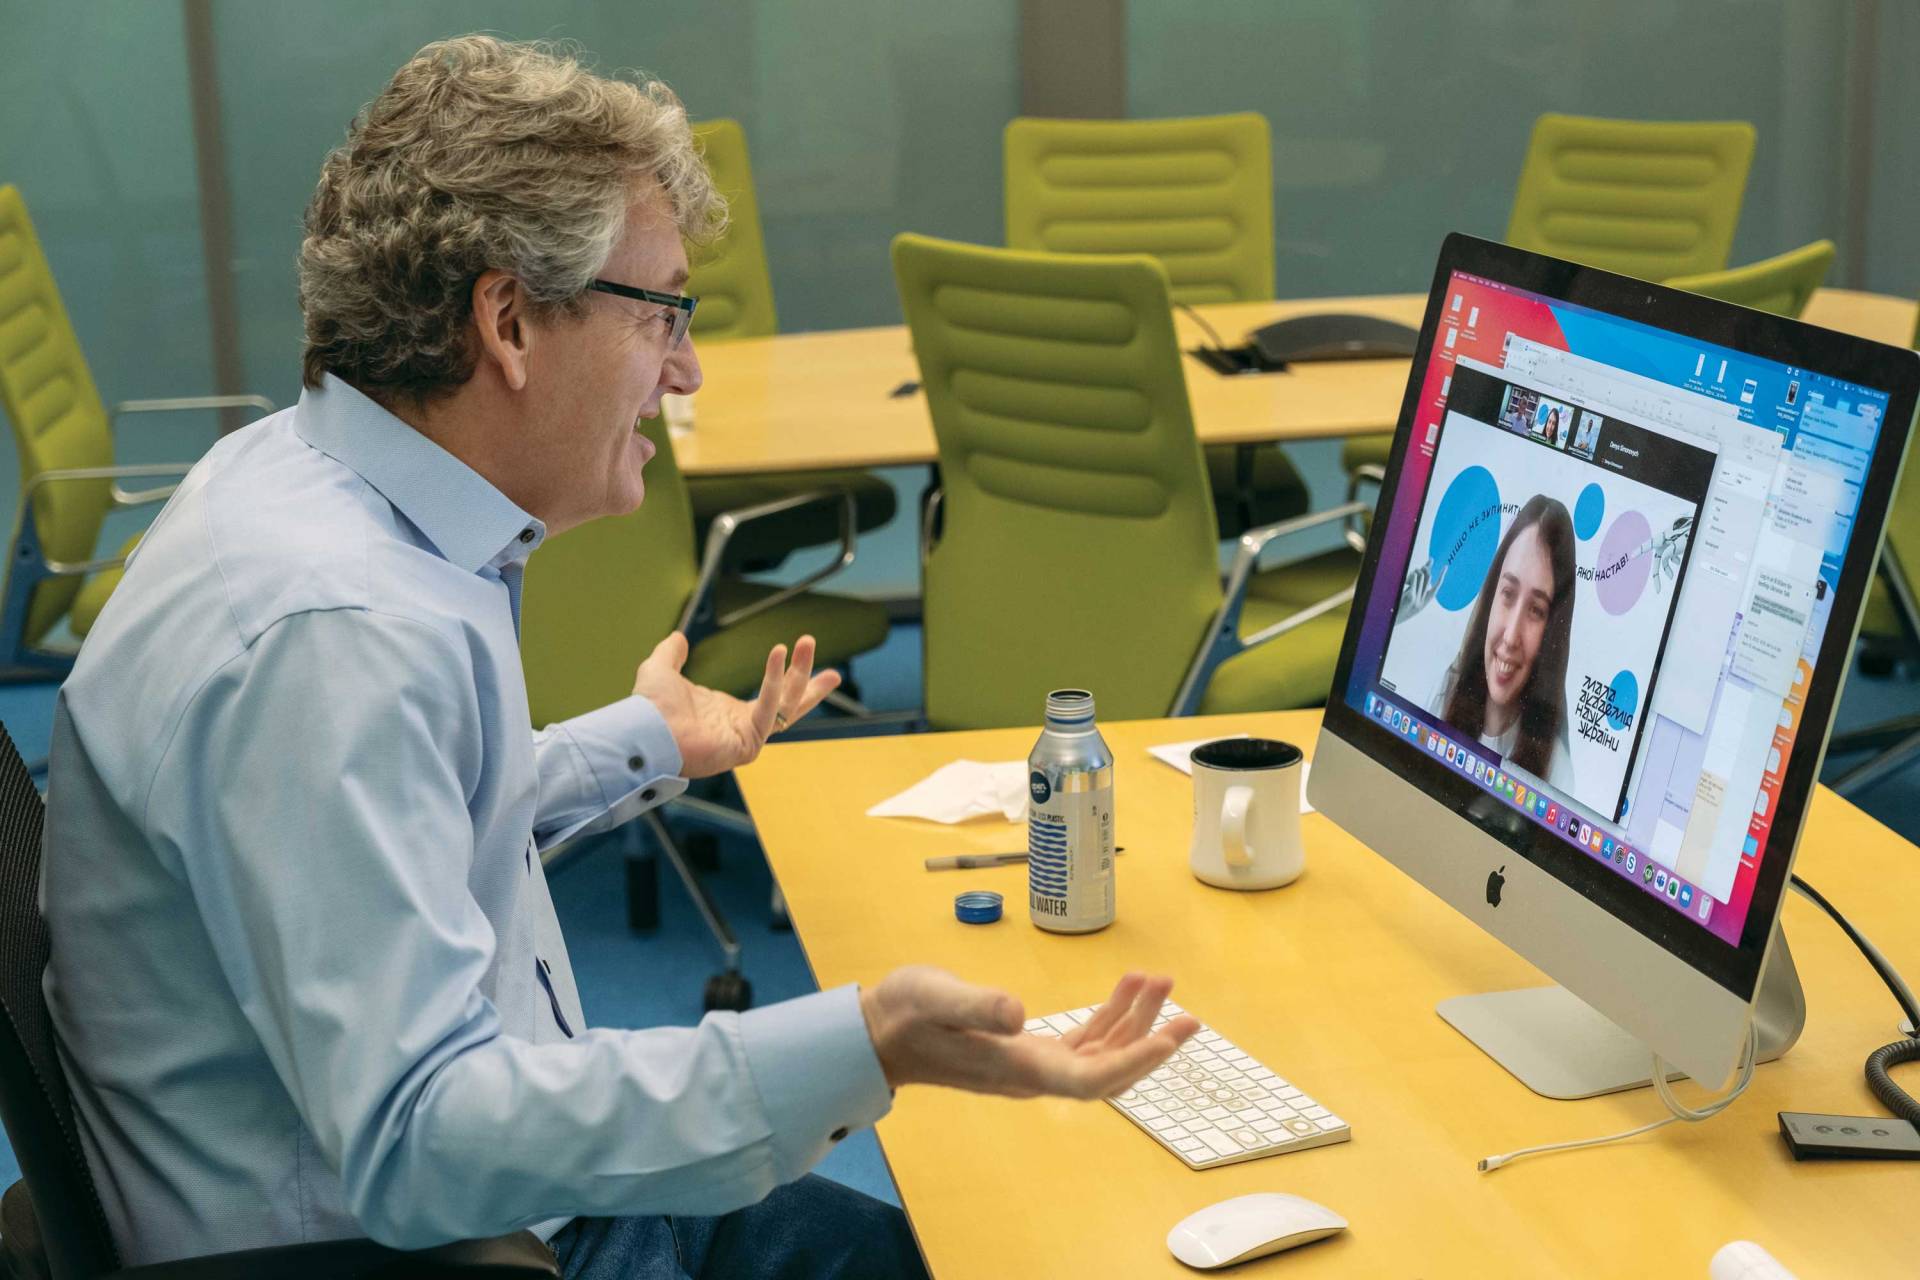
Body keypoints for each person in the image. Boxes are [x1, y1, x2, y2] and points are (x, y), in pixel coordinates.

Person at [38, 36, 1197, 1277]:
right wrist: (863, 1038)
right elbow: (418, 1136)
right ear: (510, 323)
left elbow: (379, 841)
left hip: (492, 1195)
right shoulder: (335, 638)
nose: (684, 371)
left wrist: (636, 744)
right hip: (442, 1240)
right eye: (663, 314)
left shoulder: (302, 480)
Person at [1432, 495, 1577, 788]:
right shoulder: (1445, 693)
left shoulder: (1557, 772)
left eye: (1536, 610)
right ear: (1490, 599)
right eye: (1508, 594)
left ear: (1551, 634)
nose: (1511, 636)